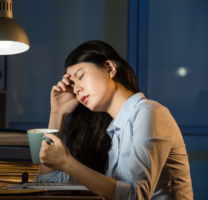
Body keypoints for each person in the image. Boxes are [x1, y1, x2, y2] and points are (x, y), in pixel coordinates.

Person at [36, 40, 194, 200]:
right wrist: (58, 113)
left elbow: (136, 195)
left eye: (80, 76)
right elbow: (48, 181)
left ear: (110, 68)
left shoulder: (148, 112)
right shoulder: (112, 129)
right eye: (72, 84)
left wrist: (67, 162)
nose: (76, 89)